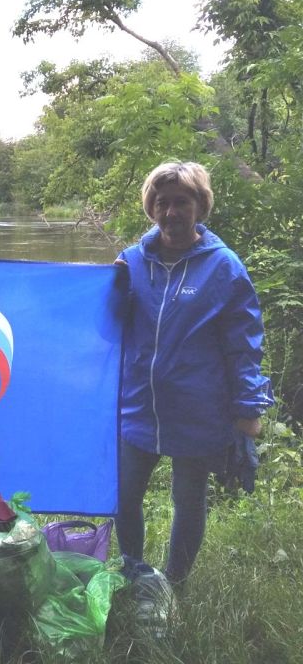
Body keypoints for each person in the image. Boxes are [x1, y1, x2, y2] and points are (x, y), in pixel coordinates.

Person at [114, 161, 273, 586]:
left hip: (198, 407)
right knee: (123, 497)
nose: (171, 212)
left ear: (200, 205)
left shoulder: (224, 267)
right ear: (150, 207)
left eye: (181, 202)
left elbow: (244, 344)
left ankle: (174, 583)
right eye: (161, 202)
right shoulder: (130, 262)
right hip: (137, 406)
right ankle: (135, 576)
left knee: (189, 499)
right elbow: (103, 327)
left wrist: (247, 409)